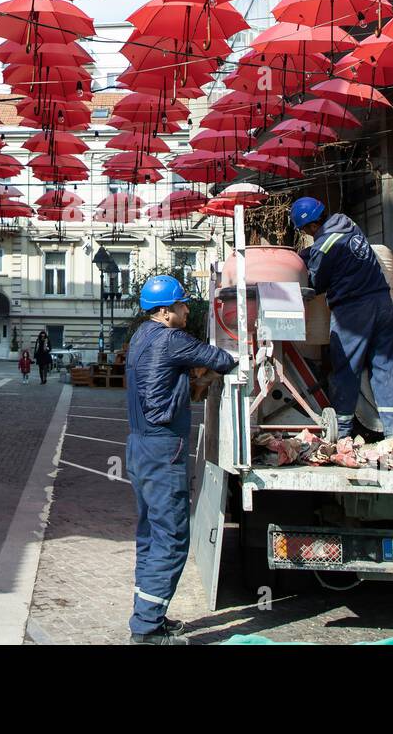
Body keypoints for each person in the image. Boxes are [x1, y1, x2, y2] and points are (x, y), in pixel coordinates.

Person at [126, 275, 236, 645]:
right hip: (162, 450)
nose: (188, 309)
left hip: (139, 448)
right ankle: (145, 628)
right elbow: (219, 359)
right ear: (164, 311)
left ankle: (149, 615)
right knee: (172, 538)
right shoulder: (172, 340)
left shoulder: (141, 337)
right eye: (182, 304)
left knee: (150, 535)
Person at [290, 197, 393, 439]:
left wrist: (300, 264)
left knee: (346, 368)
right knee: (384, 367)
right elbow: (330, 246)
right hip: (382, 301)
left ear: (310, 227)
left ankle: (342, 434)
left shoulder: (323, 248)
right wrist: (307, 252)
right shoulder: (347, 224)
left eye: (304, 230)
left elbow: (316, 283)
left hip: (354, 310)